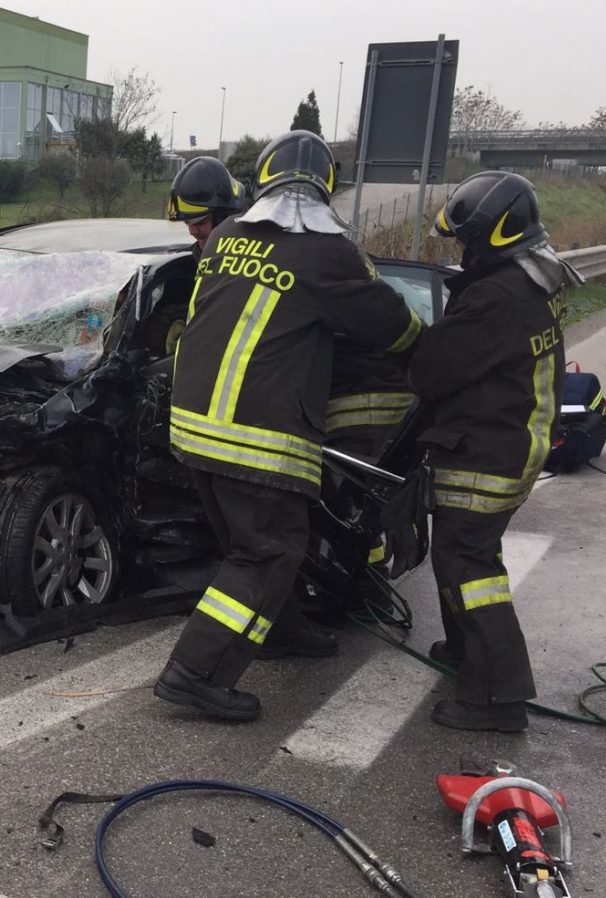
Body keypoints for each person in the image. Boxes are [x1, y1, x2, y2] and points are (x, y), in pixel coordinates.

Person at [152, 130, 424, 721]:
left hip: (193, 425)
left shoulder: (224, 237)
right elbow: (394, 328)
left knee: (246, 545)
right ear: (328, 187)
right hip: (256, 435)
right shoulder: (330, 253)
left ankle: (281, 630)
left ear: (262, 182)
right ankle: (193, 674)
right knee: (269, 552)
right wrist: (428, 349)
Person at [411, 170, 578, 733]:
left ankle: (499, 699)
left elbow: (430, 373)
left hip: (487, 450)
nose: (462, 250)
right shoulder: (537, 277)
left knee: (468, 567)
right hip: (516, 442)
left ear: (494, 237)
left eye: (468, 241)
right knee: (463, 556)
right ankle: (466, 654)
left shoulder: (495, 297)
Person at [166, 157, 251, 255]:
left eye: (200, 222)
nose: (192, 232)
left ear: (224, 217)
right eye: (187, 222)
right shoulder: (193, 256)